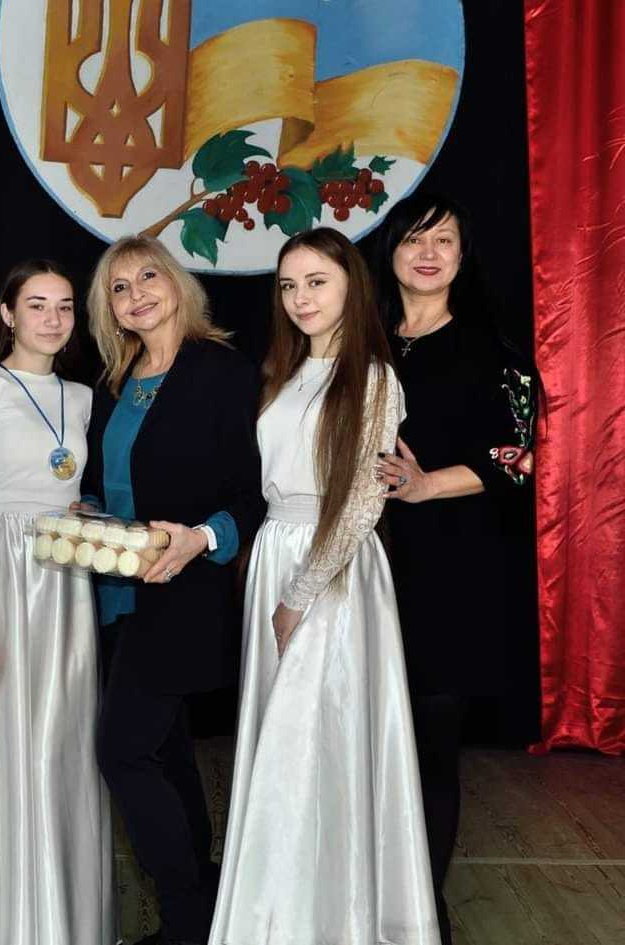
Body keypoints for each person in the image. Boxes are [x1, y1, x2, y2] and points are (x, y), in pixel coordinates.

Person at [208, 227, 439, 945]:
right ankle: (277, 914)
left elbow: (363, 501)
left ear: (350, 287)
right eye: (288, 285)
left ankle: (329, 921)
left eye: (317, 282)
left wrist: (300, 593)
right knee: (282, 747)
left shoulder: (373, 377)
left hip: (332, 571)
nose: (300, 298)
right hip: (276, 553)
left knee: (315, 742)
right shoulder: (282, 373)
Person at [81, 235, 265, 945]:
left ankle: (187, 922)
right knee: (166, 753)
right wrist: (89, 510)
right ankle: (208, 907)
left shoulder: (221, 371)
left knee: (123, 752)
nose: (137, 295)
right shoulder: (116, 381)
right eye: (120, 288)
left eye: (148, 277)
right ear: (110, 309)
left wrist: (202, 537)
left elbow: (251, 493)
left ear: (178, 283)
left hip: (184, 591)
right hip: (119, 594)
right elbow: (110, 485)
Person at [373, 193, 539, 944]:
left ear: (463, 257)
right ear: (391, 252)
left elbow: (516, 458)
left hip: (453, 574)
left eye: (444, 240)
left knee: (430, 747)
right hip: (366, 565)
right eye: (415, 239)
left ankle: (422, 911)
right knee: (368, 742)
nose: (428, 253)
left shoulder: (492, 352)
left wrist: (425, 484)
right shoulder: (363, 343)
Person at [0, 259, 117, 945]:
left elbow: (72, 487)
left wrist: (89, 513)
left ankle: (60, 918)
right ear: (8, 314)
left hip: (64, 582)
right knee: (1, 744)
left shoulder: (82, 396)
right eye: (37, 304)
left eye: (65, 306)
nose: (52, 318)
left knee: (62, 745)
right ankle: (0, 920)